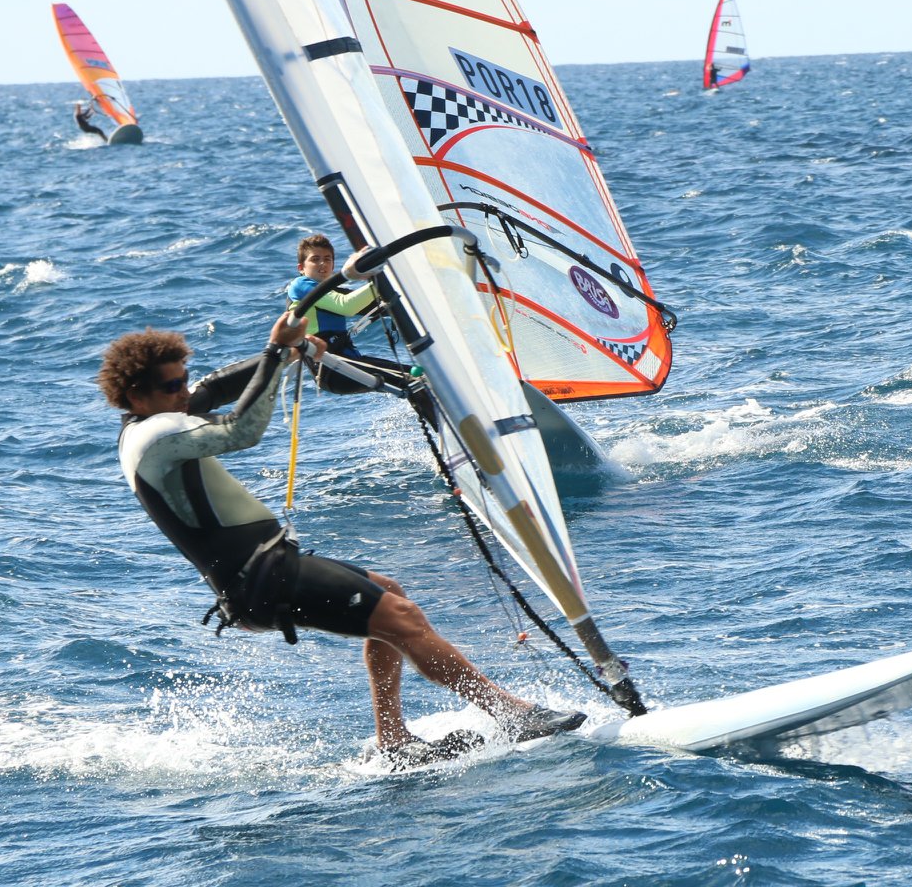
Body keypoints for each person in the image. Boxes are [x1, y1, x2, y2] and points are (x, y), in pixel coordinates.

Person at [99, 311, 585, 765]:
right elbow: (240, 429)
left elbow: (212, 391)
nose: (183, 392)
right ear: (137, 396)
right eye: (171, 387)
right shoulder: (156, 437)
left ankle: (393, 741)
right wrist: (274, 354)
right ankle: (510, 713)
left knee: (390, 594)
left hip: (265, 573)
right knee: (402, 618)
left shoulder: (153, 421)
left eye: (183, 379)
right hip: (262, 580)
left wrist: (287, 353)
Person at [286, 233, 434, 422]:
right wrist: (382, 276)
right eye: (315, 260)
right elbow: (346, 306)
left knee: (418, 380)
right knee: (415, 381)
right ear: (301, 268)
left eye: (327, 259)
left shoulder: (332, 293)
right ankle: (453, 435)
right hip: (332, 368)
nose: (322, 264)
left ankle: (448, 434)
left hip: (348, 363)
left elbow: (380, 307)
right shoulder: (301, 286)